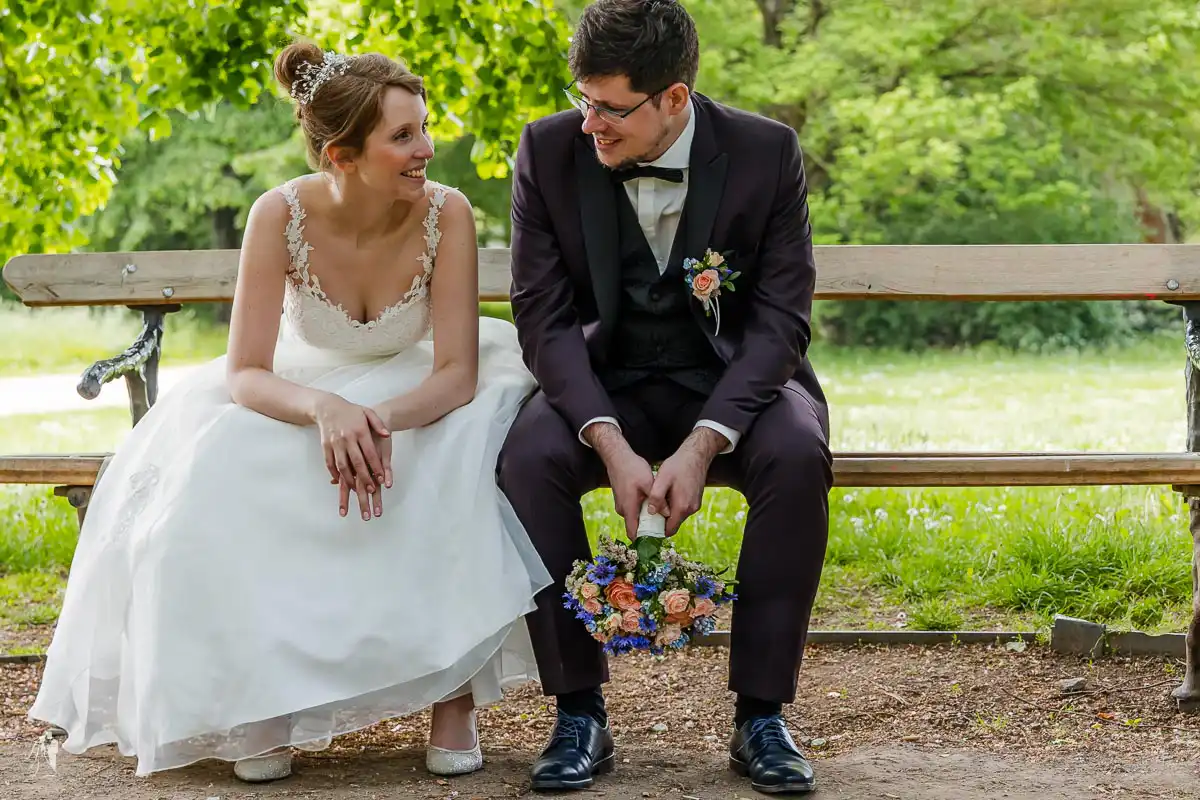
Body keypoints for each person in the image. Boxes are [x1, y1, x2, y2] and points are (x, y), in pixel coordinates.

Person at [28, 42, 551, 783]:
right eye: (403, 137)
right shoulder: (279, 213)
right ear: (341, 155)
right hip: (305, 387)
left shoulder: (449, 213)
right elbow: (245, 371)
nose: (426, 149)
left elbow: (458, 372)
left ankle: (453, 690)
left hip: (421, 389)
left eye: (424, 128)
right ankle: (261, 696)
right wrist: (325, 410)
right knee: (226, 471)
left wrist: (378, 422)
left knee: (449, 451)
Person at [497, 0, 833, 794]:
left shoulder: (765, 152)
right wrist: (608, 443)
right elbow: (542, 321)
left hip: (727, 386)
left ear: (674, 98)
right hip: (602, 383)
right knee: (526, 458)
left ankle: (762, 714)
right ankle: (577, 709)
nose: (590, 126)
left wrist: (705, 440)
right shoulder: (547, 151)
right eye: (583, 100)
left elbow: (782, 320)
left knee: (795, 450)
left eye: (610, 109)